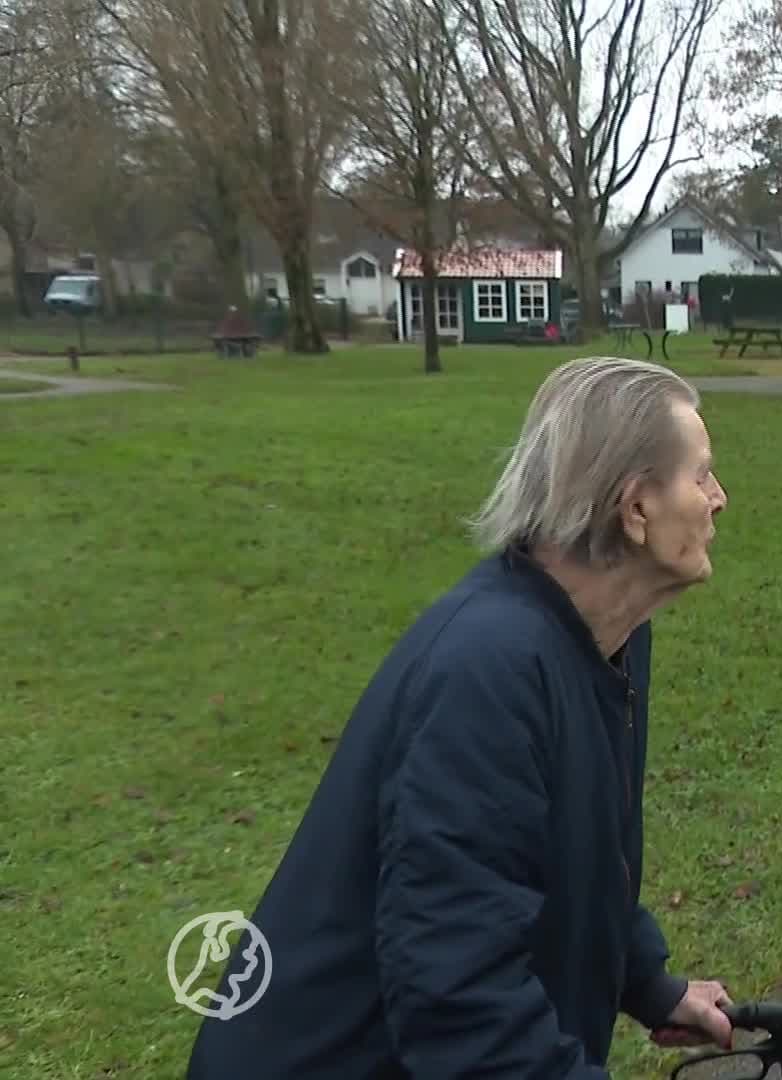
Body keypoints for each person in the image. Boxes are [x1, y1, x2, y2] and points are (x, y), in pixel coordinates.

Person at [186, 357, 736, 1078]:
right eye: (701, 476)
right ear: (635, 509)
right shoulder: (490, 670)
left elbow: (578, 855)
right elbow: (458, 995)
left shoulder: (613, 635)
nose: (719, 498)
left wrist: (647, 983)